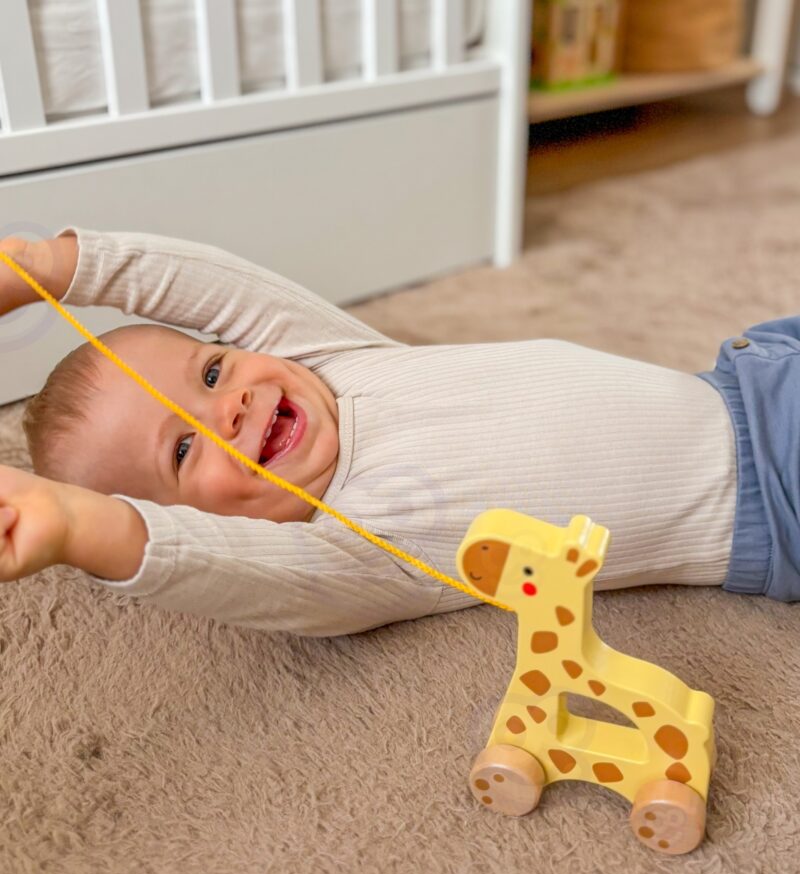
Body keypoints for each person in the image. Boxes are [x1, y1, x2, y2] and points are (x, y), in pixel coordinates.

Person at [0, 227, 791, 637]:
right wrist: (73, 525)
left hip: (749, 374)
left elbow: (209, 283)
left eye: (211, 372)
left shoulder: (331, 359)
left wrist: (44, 264)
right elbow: (201, 567)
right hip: (780, 496)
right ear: (191, 520)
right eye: (183, 448)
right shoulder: (350, 551)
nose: (229, 406)